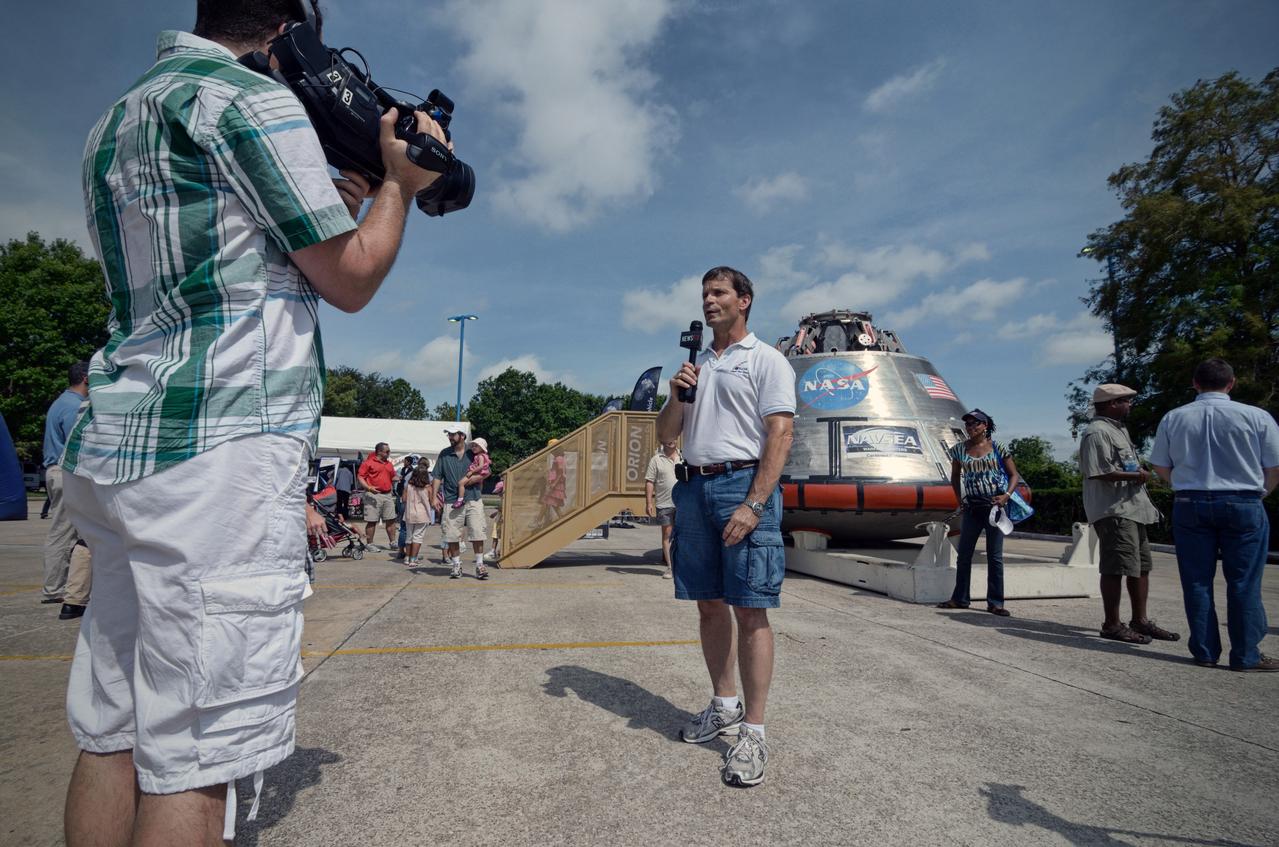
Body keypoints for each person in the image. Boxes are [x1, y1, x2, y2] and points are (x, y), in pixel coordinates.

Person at [57, 1, 450, 842]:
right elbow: (349, 276)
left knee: (114, 730)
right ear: (290, 33)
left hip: (125, 443)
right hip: (220, 453)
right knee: (198, 751)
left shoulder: (119, 117)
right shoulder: (250, 101)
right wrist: (398, 187)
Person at [655, 266, 795, 788]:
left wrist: (755, 503)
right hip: (693, 488)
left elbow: (779, 433)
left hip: (742, 487)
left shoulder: (766, 360)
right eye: (704, 294)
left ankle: (754, 732)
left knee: (751, 608)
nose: (709, 301)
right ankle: (724, 705)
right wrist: (676, 396)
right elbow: (664, 436)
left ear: (745, 301)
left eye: (719, 293)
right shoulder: (694, 366)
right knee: (709, 603)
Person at [1150, 359, 1279, 671]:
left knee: (1196, 581)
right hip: (1244, 501)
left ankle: (1206, 651)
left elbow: (1160, 466)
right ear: (1231, 383)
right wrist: (1260, 493)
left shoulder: (1174, 418)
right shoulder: (1257, 417)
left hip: (1191, 502)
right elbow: (1274, 467)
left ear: (1195, 383)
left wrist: (1183, 486)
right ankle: (1246, 654)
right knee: (1244, 582)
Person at [1079, 384, 1178, 645]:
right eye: (1125, 401)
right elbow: (1098, 470)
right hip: (1114, 510)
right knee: (1115, 567)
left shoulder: (1118, 430)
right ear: (1111, 404)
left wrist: (1137, 473)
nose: (1130, 405)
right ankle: (1112, 624)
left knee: (1140, 567)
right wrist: (1138, 475)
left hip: (1133, 508)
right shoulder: (1097, 432)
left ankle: (1140, 620)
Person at [936, 409, 1017, 616]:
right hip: (972, 507)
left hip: (995, 507)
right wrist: (959, 500)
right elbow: (955, 477)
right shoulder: (959, 450)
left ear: (985, 426)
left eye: (975, 424)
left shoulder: (998, 447)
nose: (971, 428)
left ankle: (996, 602)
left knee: (995, 556)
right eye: (968, 425)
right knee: (964, 555)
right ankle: (960, 598)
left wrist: (1006, 496)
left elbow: (1013, 475)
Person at [41, 361, 89, 608]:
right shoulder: (74, 407)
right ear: (85, 377)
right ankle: (55, 588)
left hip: (54, 470)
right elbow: (78, 442)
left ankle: (60, 586)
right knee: (63, 531)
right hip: (65, 471)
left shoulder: (60, 402)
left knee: (64, 530)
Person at [433, 427, 490, 580]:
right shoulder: (444, 453)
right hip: (451, 499)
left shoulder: (474, 451)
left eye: (453, 434)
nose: (450, 437)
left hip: (473, 497)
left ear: (462, 436)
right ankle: (456, 565)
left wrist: (472, 480)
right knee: (451, 534)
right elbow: (437, 476)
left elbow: (487, 471)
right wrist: (433, 497)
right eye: (449, 434)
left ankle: (479, 565)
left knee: (477, 532)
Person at [645, 438, 681, 579]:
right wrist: (649, 502)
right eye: (668, 437)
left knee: (685, 535)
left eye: (674, 437)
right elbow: (649, 481)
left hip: (683, 503)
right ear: (663, 440)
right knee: (667, 535)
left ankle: (683, 567)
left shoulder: (684, 457)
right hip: (664, 504)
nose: (671, 440)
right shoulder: (656, 459)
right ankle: (670, 568)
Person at [359, 442, 399, 549]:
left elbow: (392, 477)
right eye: (387, 451)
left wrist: (399, 478)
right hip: (373, 495)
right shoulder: (368, 463)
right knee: (372, 521)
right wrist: (368, 488)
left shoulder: (389, 464)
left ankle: (393, 542)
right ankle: (370, 544)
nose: (389, 453)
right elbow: (360, 477)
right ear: (380, 452)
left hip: (387, 495)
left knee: (391, 520)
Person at [401, 462, 435, 565]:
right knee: (418, 537)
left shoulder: (409, 486)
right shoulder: (428, 488)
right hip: (422, 515)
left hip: (409, 514)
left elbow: (403, 499)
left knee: (409, 536)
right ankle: (413, 558)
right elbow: (431, 501)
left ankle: (407, 557)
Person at [454, 437, 491, 507]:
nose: (473, 447)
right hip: (480, 473)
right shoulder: (481, 455)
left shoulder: (480, 456)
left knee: (461, 483)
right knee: (480, 484)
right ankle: (479, 496)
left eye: (476, 446)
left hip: (476, 472)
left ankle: (460, 500)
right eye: (473, 446)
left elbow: (480, 466)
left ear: (482, 447)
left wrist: (471, 472)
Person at [334, 461, 354, 525]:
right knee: (345, 504)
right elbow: (351, 483)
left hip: (339, 488)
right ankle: (345, 516)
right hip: (347, 490)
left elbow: (336, 478)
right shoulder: (350, 473)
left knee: (339, 503)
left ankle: (339, 515)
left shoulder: (340, 470)